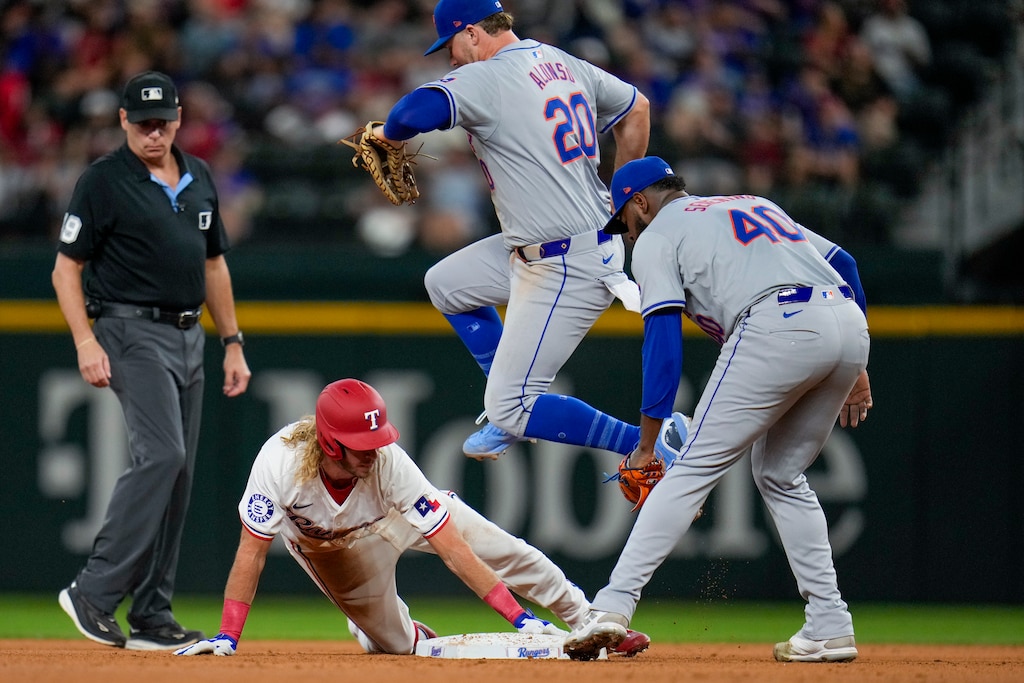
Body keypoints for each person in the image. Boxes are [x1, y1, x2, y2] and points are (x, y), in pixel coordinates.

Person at [563, 157, 873, 663]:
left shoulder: (660, 235)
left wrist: (647, 443)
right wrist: (855, 362)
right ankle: (830, 623)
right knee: (781, 473)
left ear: (640, 202)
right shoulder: (753, 204)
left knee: (688, 470)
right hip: (844, 324)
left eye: (624, 221)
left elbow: (662, 343)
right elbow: (846, 265)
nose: (627, 233)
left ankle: (612, 608)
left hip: (776, 322)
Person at [174, 379, 651, 657]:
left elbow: (451, 547)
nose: (375, 450)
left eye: (380, 439)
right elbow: (251, 554)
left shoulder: (388, 462)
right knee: (399, 648)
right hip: (335, 551)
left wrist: (521, 619)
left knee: (503, 547)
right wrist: (228, 637)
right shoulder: (278, 463)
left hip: (392, 515)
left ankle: (589, 620)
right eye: (362, 446)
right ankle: (378, 627)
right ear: (330, 444)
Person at [371, 0, 651, 460]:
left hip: (567, 263)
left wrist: (388, 136)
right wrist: (622, 196)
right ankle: (507, 407)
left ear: (474, 34)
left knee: (514, 406)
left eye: (452, 46)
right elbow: (635, 107)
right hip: (548, 244)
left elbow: (409, 114)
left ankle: (650, 444)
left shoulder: (490, 75)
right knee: (446, 284)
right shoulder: (561, 61)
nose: (453, 59)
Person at [52, 70, 251, 651]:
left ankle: (152, 613)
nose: (153, 132)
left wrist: (232, 341)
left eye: (162, 121)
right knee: (162, 454)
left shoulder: (200, 177)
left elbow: (214, 266)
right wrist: (85, 341)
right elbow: (66, 268)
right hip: (128, 327)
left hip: (190, 333)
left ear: (179, 119)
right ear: (123, 122)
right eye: (142, 123)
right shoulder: (103, 181)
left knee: (179, 473)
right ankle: (92, 591)